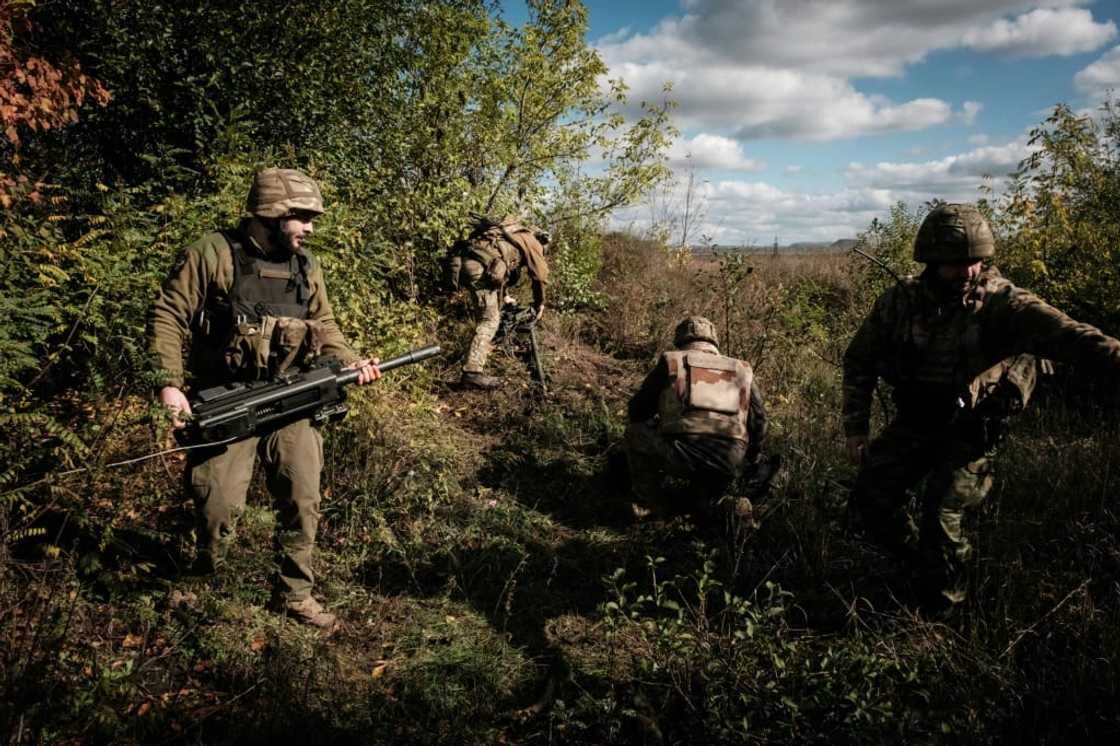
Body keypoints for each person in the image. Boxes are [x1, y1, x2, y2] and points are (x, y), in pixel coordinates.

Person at [843, 202, 1120, 616]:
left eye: (975, 261)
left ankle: (944, 612)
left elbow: (1072, 336)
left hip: (970, 427)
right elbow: (859, 360)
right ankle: (917, 566)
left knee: (943, 514)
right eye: (956, 263)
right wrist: (855, 428)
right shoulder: (900, 302)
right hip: (917, 419)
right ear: (932, 261)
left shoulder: (1004, 302)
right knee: (870, 496)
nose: (968, 271)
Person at [150, 167, 379, 629]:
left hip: (291, 397)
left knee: (302, 495)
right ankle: (198, 584)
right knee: (217, 503)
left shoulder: (306, 266)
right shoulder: (212, 254)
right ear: (272, 214)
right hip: (227, 401)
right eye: (302, 216)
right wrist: (169, 383)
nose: (311, 227)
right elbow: (168, 314)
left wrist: (350, 361)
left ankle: (294, 595)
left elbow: (325, 323)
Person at [623, 316, 768, 525]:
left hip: (683, 455)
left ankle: (651, 505)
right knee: (707, 495)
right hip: (730, 460)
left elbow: (637, 411)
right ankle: (726, 506)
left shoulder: (671, 360)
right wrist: (750, 459)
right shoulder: (742, 369)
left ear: (680, 340)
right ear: (714, 341)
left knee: (634, 432)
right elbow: (760, 421)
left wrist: (663, 420)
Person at [447, 215, 550, 389]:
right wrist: (540, 303)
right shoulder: (532, 241)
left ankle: (482, 351)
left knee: (488, 315)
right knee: (489, 320)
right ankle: (472, 373)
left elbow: (497, 266)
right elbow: (539, 276)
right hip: (478, 270)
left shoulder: (508, 234)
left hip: (468, 264)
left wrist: (505, 297)